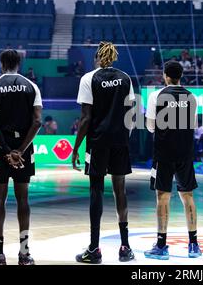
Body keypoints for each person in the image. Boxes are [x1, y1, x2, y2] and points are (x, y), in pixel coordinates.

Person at [72, 41, 136, 263]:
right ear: (114, 57)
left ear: (97, 58)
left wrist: (76, 147)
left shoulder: (88, 78)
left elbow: (86, 118)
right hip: (120, 141)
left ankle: (94, 249)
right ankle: (125, 248)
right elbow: (131, 114)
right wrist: (124, 138)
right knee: (120, 192)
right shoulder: (126, 78)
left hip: (98, 142)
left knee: (96, 191)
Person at [0, 49, 42, 265]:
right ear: (19, 63)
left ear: (1, 64)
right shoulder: (31, 86)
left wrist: (7, 151)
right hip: (24, 150)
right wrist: (21, 151)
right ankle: (24, 254)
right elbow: (37, 122)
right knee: (23, 199)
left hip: (0, 149)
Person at [144, 60, 201, 260]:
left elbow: (151, 127)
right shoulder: (191, 97)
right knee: (188, 197)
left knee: (162, 197)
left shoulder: (156, 96)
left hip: (164, 153)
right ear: (181, 76)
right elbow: (192, 124)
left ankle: (161, 245)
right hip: (185, 153)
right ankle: (193, 245)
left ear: (165, 75)